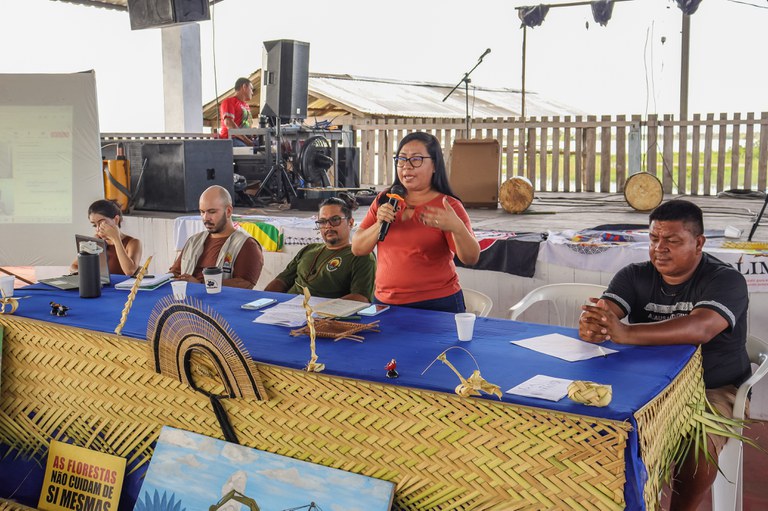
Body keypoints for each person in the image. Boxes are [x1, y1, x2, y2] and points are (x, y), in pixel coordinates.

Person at [578, 199, 751, 511]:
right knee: (599, 430)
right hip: (646, 385)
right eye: (655, 239)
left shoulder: (725, 280)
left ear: (698, 243)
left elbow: (701, 328)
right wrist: (594, 324)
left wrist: (626, 333)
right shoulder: (634, 275)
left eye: (673, 241)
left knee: (698, 448)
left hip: (712, 387)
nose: (660, 248)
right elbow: (607, 315)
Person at [351, 132, 480, 313]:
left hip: (437, 304)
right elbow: (358, 249)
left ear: (434, 165)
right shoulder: (384, 199)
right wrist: (380, 222)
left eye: (416, 159)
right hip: (385, 302)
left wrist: (457, 227)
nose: (407, 167)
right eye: (402, 159)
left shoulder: (448, 205)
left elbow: (471, 258)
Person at [264, 195, 375, 302]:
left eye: (335, 220)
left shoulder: (360, 256)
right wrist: (264, 300)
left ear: (350, 223)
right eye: (322, 222)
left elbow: (361, 298)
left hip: (324, 316)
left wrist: (321, 311)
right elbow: (282, 280)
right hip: (286, 310)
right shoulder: (309, 249)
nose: (328, 226)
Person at [170, 185, 263, 289]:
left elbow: (244, 283)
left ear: (228, 211)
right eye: (202, 212)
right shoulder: (193, 241)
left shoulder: (247, 244)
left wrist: (201, 286)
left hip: (220, 303)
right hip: (184, 300)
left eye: (212, 212)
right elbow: (175, 273)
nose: (206, 218)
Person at [71, 199, 142, 276]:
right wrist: (85, 274)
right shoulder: (97, 240)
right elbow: (74, 266)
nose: (98, 229)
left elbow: (129, 272)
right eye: (95, 225)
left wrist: (116, 239)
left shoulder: (133, 243)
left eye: (102, 223)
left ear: (116, 220)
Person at [219, 77, 254, 147]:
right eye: (251, 88)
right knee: (251, 153)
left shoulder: (246, 105)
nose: (252, 92)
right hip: (231, 139)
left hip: (244, 139)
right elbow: (229, 123)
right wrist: (246, 140)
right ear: (244, 86)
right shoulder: (229, 102)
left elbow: (246, 124)